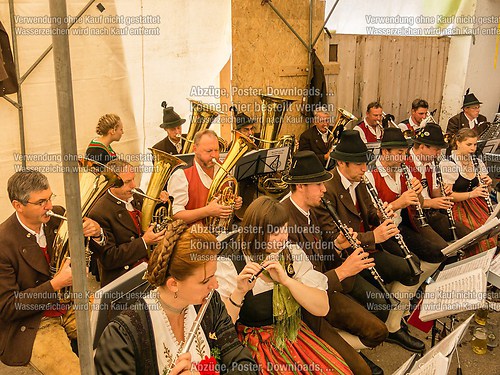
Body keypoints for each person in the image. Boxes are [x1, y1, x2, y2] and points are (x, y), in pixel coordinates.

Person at [310, 131, 424, 354]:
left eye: (365, 164)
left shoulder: (358, 179)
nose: (365, 169)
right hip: (343, 259)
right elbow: (332, 236)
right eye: (360, 164)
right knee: (378, 305)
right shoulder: (327, 190)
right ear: (342, 163)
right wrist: (375, 236)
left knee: (413, 269)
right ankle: (352, 348)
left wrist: (382, 215)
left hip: (365, 251)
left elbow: (369, 212)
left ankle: (393, 326)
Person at [95, 221, 258, 375]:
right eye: (205, 280)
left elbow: (245, 364)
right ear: (173, 284)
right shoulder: (123, 335)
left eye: (213, 275)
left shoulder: (210, 303)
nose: (215, 285)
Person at [216, 196, 354, 374]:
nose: (283, 238)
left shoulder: (291, 253)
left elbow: (322, 308)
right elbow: (222, 328)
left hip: (292, 333)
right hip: (258, 345)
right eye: (275, 233)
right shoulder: (231, 263)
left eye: (285, 229)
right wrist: (239, 292)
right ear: (256, 233)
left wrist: (287, 281)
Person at [281, 150, 388, 374]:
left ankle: (343, 348)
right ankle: (340, 354)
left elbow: (318, 256)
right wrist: (342, 271)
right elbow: (299, 283)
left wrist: (337, 246)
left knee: (379, 331)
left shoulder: (309, 210)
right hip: (305, 306)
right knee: (361, 371)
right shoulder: (284, 221)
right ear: (300, 186)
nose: (324, 189)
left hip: (326, 288)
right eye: (319, 184)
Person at [0, 170, 102, 374]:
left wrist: (97, 233)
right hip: (34, 322)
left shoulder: (56, 216)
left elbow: (97, 250)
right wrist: (55, 284)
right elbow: (8, 307)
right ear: (17, 205)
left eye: (49, 198)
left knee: (120, 333)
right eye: (40, 202)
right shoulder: (3, 243)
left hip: (71, 304)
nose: (49, 207)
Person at [88, 159, 167, 286]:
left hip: (151, 268)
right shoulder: (99, 212)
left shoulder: (137, 195)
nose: (134, 185)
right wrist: (143, 242)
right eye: (127, 182)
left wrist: (161, 203)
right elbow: (109, 258)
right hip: (124, 278)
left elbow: (152, 220)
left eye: (133, 179)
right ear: (112, 185)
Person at [404, 123, 472, 242]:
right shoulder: (404, 164)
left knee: (468, 236)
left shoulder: (432, 162)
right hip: (412, 217)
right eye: (436, 149)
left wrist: (442, 191)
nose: (439, 153)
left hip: (431, 212)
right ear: (422, 147)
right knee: (440, 251)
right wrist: (432, 203)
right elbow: (407, 202)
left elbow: (435, 193)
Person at [440, 128, 497, 257]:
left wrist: (487, 185)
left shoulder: (476, 161)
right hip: (457, 207)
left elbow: (486, 192)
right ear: (458, 143)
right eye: (469, 144)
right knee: (479, 236)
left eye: (475, 144)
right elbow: (448, 196)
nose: (473, 148)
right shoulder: (448, 163)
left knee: (493, 230)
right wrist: (472, 194)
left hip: (476, 204)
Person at [167, 129, 243, 225]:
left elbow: (227, 199)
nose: (214, 155)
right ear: (195, 149)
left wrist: (233, 203)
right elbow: (175, 215)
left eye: (216, 150)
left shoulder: (223, 168)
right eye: (209, 151)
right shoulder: (181, 175)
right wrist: (207, 211)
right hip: (193, 236)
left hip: (223, 232)